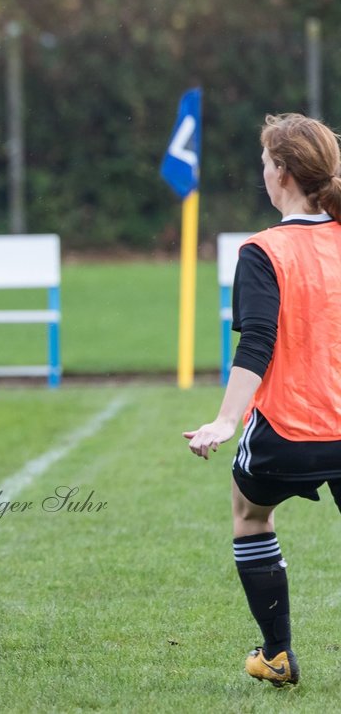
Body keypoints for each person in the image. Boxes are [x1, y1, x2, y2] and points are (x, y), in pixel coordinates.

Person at [185, 113, 341, 688]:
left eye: (265, 163)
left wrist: (227, 420)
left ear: (282, 174)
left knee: (250, 516)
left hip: (289, 432)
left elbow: (258, 340)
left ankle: (278, 656)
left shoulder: (262, 251)